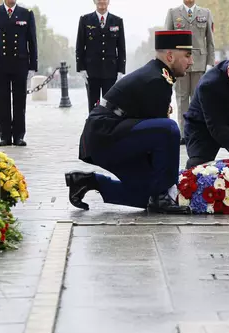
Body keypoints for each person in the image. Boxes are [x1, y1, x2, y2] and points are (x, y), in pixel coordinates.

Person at [65, 30, 196, 214]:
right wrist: (167, 187)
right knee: (169, 129)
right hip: (106, 136)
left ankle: (86, 182)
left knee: (145, 198)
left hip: (112, 134)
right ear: (170, 56)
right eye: (187, 56)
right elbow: (159, 139)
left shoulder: (158, 74)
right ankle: (161, 197)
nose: (191, 62)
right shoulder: (157, 80)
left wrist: (154, 181)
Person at [0, 0, 38, 147]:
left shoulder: (26, 13)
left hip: (20, 63)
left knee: (19, 101)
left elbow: (32, 41)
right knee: (2, 101)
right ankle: (5, 136)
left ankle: (19, 136)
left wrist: (33, 66)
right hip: (0, 63)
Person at [165, 0, 215, 144]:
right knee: (181, 99)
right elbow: (167, 39)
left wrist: (210, 63)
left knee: (199, 99)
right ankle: (183, 133)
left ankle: (197, 131)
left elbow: (210, 40)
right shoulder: (173, 13)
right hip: (179, 63)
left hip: (199, 62)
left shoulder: (206, 13)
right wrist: (169, 62)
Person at [76, 0, 126, 113]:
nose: (102, 2)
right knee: (93, 105)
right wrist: (81, 68)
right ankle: (93, 129)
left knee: (109, 105)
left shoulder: (117, 21)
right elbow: (80, 46)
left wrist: (121, 70)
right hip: (91, 71)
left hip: (110, 71)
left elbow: (121, 48)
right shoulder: (85, 20)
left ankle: (107, 129)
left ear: (108, 1)